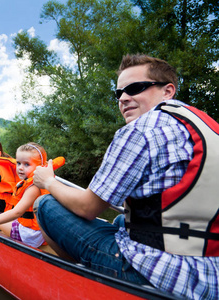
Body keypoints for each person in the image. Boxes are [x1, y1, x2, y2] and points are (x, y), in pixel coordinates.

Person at [33, 54, 219, 300]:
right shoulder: (208, 127)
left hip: (161, 276)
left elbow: (88, 207)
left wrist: (48, 181)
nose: (123, 98)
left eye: (135, 88)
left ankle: (82, 285)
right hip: (210, 275)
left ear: (167, 91)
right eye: (118, 93)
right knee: (122, 223)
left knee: (44, 205)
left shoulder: (141, 129)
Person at [0, 143, 51, 248]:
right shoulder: (40, 183)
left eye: (26, 164)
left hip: (29, 236)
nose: (20, 168)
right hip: (37, 234)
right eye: (18, 163)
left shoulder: (33, 187)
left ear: (40, 166)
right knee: (2, 217)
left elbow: (17, 212)